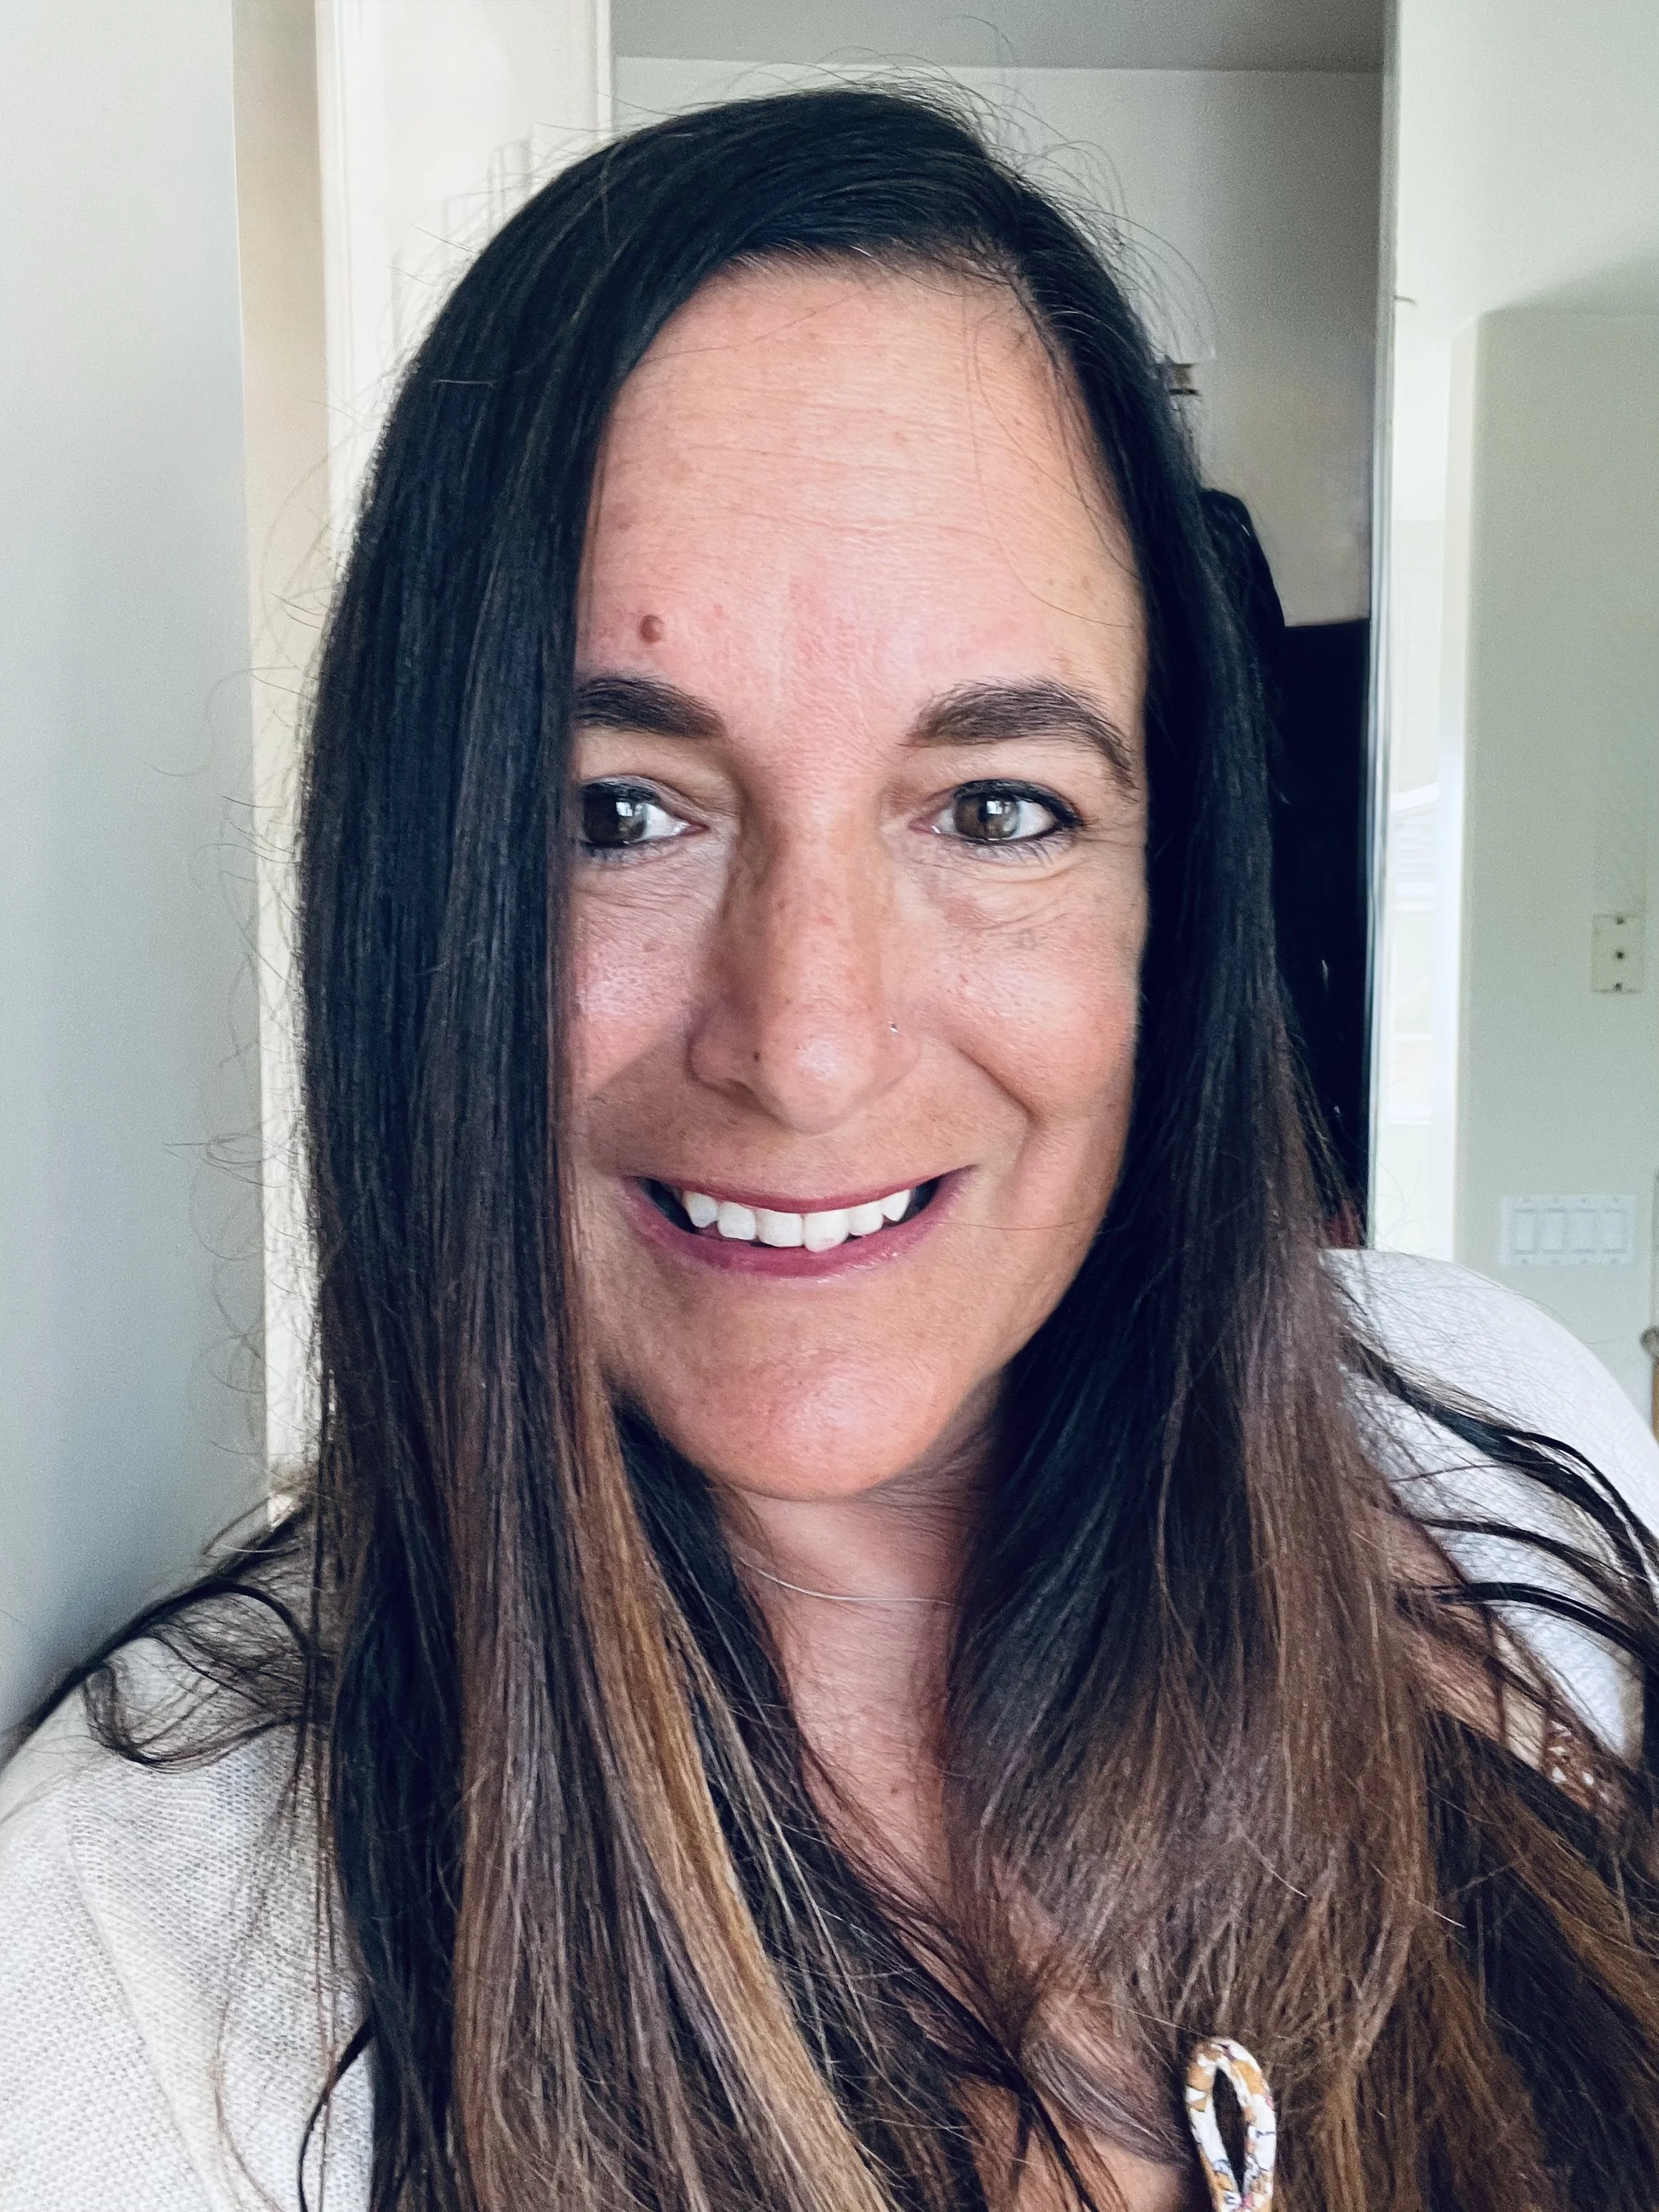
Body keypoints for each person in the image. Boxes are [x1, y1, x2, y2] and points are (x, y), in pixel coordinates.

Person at [4, 85, 1659, 2212]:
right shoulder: (142, 1981)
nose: (804, 1045)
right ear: (419, 898)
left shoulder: (1490, 1444)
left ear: (1174, 902)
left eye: (996, 810)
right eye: (618, 810)